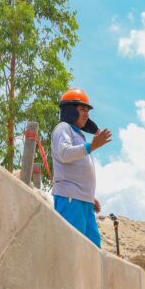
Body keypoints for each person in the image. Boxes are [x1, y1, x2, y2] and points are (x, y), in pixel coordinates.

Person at [51, 88, 112, 247]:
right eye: (82, 109)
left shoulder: (79, 134)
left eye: (88, 111)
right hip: (70, 199)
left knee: (93, 249)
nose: (86, 114)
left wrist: (89, 196)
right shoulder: (63, 128)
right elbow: (64, 154)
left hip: (83, 200)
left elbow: (77, 168)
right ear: (70, 111)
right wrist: (91, 146)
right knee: (72, 248)